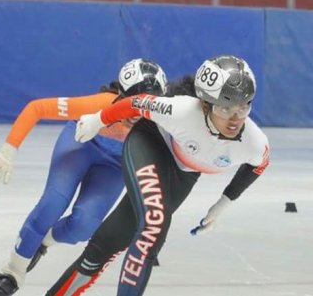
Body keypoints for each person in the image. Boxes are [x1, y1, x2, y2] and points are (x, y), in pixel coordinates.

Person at [45, 55, 271, 296]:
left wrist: (223, 203)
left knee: (108, 243)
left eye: (244, 105)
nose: (236, 117)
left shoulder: (253, 142)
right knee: (154, 223)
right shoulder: (181, 110)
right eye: (226, 107)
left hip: (183, 173)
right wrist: (97, 120)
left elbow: (259, 165)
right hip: (150, 143)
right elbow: (135, 103)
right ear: (205, 104)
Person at [0, 59, 168, 296]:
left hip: (114, 163)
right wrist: (8, 150)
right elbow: (37, 108)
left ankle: (43, 241)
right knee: (52, 204)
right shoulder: (100, 103)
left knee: (84, 226)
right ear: (119, 93)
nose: (133, 113)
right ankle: (12, 272)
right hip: (80, 144)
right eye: (129, 102)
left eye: (141, 105)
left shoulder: (161, 119)